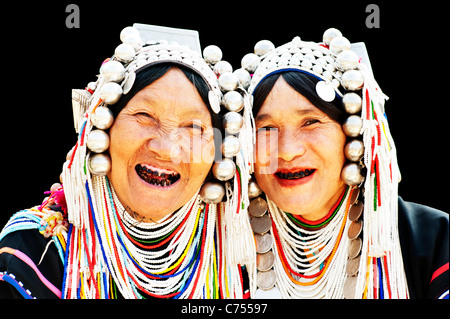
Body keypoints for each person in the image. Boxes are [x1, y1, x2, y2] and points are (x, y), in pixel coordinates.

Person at [0, 25, 257, 299]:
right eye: (144, 116)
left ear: (219, 150)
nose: (167, 149)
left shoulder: (237, 257)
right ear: (101, 128)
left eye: (193, 128)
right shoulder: (38, 247)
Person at [242, 28, 449, 299]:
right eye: (266, 129)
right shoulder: (223, 250)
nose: (288, 151)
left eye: (310, 122)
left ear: (356, 133)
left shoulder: (433, 241)